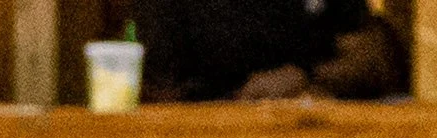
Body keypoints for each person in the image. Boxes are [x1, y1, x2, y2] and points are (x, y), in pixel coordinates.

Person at [138, 0, 408, 101]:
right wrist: (230, 102)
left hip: (312, 127)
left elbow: (375, 58)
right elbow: (154, 88)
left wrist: (307, 77)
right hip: (209, 134)